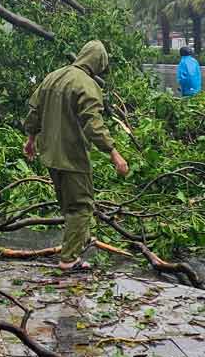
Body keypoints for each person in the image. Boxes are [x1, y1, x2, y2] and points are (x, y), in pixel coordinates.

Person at [24, 40, 129, 271]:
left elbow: (34, 111)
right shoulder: (88, 85)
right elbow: (93, 125)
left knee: (68, 205)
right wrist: (114, 152)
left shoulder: (53, 76)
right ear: (98, 63)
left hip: (50, 154)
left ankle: (78, 244)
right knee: (81, 207)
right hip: (71, 156)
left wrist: (31, 139)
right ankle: (69, 259)